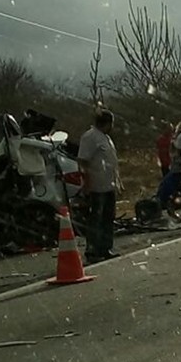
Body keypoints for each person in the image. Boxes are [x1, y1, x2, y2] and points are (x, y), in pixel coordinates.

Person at [77, 110, 120, 262]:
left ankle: (105, 247)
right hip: (96, 186)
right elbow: (83, 161)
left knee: (108, 217)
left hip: (108, 185)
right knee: (96, 218)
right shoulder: (90, 137)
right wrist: (86, 183)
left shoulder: (106, 138)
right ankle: (92, 250)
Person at [156, 119, 181, 217]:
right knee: (175, 190)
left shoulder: (175, 140)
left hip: (179, 169)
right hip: (175, 169)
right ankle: (171, 208)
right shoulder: (174, 141)